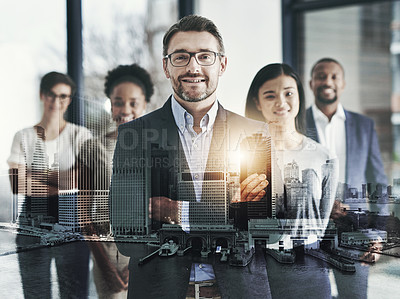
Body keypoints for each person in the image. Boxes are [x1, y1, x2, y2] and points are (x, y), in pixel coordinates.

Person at [109, 15, 272, 298]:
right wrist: (232, 208)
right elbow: (126, 235)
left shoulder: (255, 134)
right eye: (181, 57)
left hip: (238, 289)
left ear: (222, 64)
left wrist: (174, 210)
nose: (193, 67)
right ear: (166, 66)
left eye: (205, 56)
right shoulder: (133, 135)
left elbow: (268, 229)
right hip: (160, 290)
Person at [245, 63, 338, 298]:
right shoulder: (243, 151)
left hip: (309, 273)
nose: (281, 102)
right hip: (257, 271)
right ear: (257, 102)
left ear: (299, 96)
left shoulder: (323, 156)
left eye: (288, 93)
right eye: (270, 95)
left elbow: (321, 224)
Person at [7, 71, 92, 298]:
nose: (57, 101)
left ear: (69, 100)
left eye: (63, 96)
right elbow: (17, 183)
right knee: (36, 293)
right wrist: (61, 181)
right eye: (52, 95)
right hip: (32, 224)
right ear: (42, 95)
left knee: (74, 293)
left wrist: (35, 173)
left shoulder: (80, 136)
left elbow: (80, 180)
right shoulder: (23, 136)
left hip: (71, 223)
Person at [78, 64, 154, 299]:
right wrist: (104, 266)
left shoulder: (158, 149)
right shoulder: (92, 148)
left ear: (145, 105)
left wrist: (142, 259)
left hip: (149, 253)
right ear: (110, 104)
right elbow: (82, 215)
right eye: (118, 102)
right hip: (107, 253)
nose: (125, 109)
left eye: (133, 103)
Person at [306, 57, 387, 189]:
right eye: (321, 77)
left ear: (343, 84)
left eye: (334, 77)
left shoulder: (364, 126)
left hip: (355, 209)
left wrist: (381, 210)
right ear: (311, 84)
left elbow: (377, 179)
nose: (327, 82)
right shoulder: (297, 123)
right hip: (312, 209)